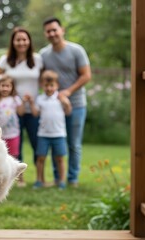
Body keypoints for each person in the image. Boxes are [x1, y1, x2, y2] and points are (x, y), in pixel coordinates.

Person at [39, 17, 92, 187]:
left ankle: (73, 178)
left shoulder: (76, 50)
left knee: (74, 144)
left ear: (62, 30)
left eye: (55, 30)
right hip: (54, 108)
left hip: (76, 104)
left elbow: (86, 75)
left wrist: (68, 92)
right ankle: (58, 178)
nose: (52, 33)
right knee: (56, 142)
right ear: (45, 34)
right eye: (48, 31)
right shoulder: (44, 54)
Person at [0, 27, 43, 177]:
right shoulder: (5, 60)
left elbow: (45, 81)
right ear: (13, 42)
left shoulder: (37, 59)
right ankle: (17, 177)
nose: (21, 42)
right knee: (14, 145)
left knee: (37, 143)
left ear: (29, 41)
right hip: (11, 110)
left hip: (33, 109)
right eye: (18, 39)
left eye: (24, 39)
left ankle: (40, 177)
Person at [25, 70, 72, 189]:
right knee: (41, 158)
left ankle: (61, 181)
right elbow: (35, 114)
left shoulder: (60, 98)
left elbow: (68, 112)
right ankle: (39, 180)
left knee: (60, 158)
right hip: (43, 134)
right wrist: (31, 103)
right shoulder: (40, 99)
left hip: (59, 134)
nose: (49, 88)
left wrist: (66, 103)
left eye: (52, 85)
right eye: (46, 85)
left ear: (57, 86)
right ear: (42, 85)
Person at [0, 74, 25, 186]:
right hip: (0, 136)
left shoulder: (15, 99)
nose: (5, 88)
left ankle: (20, 179)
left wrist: (22, 103)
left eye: (8, 86)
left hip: (13, 133)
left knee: (15, 156)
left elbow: (21, 112)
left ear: (12, 87)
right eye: (2, 86)